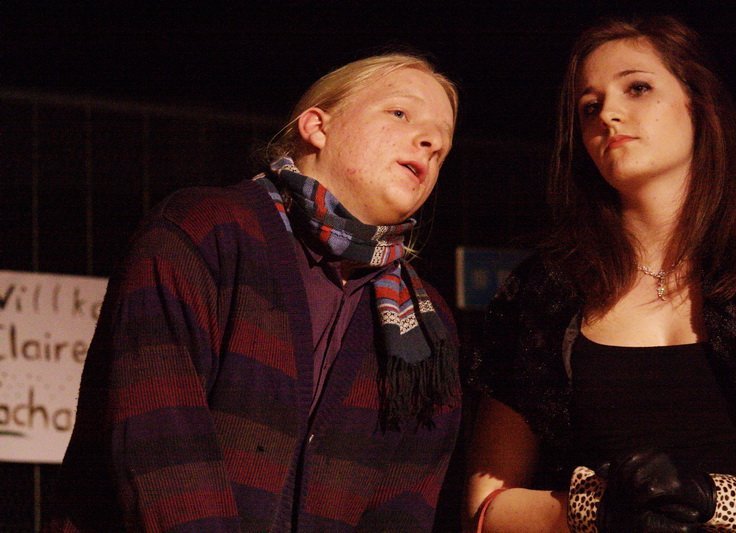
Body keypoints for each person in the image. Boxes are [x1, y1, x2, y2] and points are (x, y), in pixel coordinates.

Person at [46, 52, 461, 532]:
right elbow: (160, 440)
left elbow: (404, 507)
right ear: (317, 127)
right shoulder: (206, 231)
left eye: (443, 143)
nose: (431, 142)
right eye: (400, 113)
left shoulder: (424, 325)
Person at [465, 15, 736, 532]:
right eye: (589, 106)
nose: (609, 114)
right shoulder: (543, 291)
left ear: (699, 104)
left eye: (637, 88)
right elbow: (483, 512)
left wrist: (716, 499)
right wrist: (594, 510)